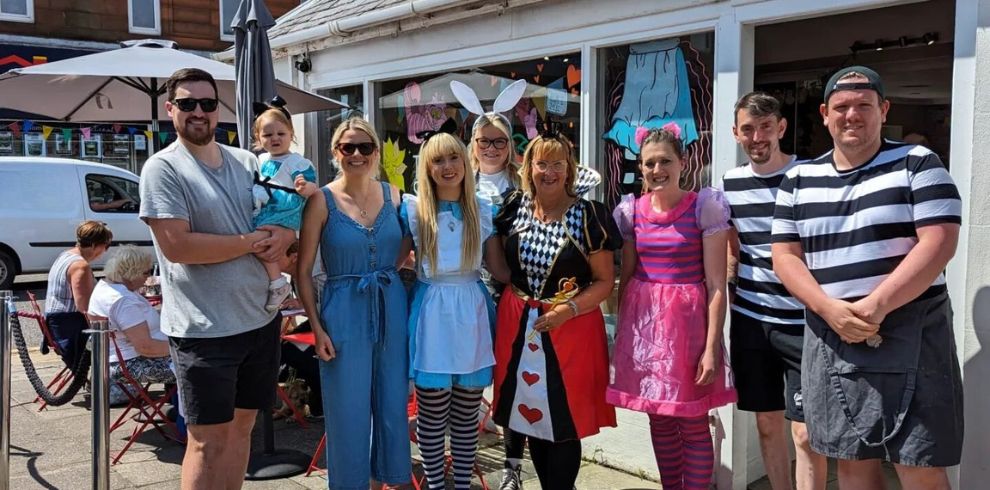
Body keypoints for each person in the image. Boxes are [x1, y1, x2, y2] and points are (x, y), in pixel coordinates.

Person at [771, 66, 963, 490]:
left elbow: (940, 241)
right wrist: (828, 309)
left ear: (883, 109)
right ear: (824, 113)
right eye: (841, 106)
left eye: (863, 105)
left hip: (911, 329)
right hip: (831, 332)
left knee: (921, 465)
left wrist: (874, 307)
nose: (852, 115)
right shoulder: (798, 179)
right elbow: (784, 256)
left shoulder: (918, 163)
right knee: (852, 464)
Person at [139, 68, 294, 490]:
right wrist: (250, 242)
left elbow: (281, 216)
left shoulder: (247, 161)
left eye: (207, 104)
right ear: (170, 109)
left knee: (241, 433)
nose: (199, 112)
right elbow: (179, 247)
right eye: (187, 103)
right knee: (207, 442)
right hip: (203, 331)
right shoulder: (162, 169)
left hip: (259, 323)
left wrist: (286, 233)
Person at [607, 124, 736, 490]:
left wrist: (711, 348)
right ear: (641, 166)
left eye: (665, 161)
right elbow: (628, 277)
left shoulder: (704, 208)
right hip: (645, 332)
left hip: (688, 330)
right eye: (649, 163)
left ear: (683, 162)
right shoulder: (631, 212)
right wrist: (623, 339)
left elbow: (715, 285)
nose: (656, 169)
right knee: (659, 419)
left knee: (694, 423)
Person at [491, 131, 620, 490]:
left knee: (564, 420)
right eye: (541, 163)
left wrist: (569, 309)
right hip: (518, 323)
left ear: (570, 169)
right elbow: (501, 266)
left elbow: (604, 281)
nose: (549, 172)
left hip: (571, 329)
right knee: (529, 416)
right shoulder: (514, 206)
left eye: (557, 164)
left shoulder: (588, 215)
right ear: (529, 167)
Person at [296, 117, 412, 489]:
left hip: (391, 303)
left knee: (393, 403)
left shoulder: (395, 195)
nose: (357, 154)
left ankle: (384, 482)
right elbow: (302, 272)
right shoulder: (320, 200)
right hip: (342, 309)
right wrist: (316, 327)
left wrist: (388, 271)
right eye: (348, 147)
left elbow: (408, 246)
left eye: (365, 147)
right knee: (348, 409)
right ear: (336, 153)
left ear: (376, 151)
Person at [722, 92, 827, 490]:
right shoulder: (730, 184)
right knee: (766, 426)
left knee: (805, 433)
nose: (757, 137)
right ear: (736, 134)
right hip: (752, 322)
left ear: (781, 128)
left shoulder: (811, 175)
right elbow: (733, 248)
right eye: (748, 129)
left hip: (805, 324)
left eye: (766, 127)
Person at [401, 132, 510, 490]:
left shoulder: (483, 209)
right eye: (438, 160)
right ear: (427, 168)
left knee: (466, 413)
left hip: (472, 312)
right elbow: (393, 262)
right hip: (432, 312)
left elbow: (499, 269)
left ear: (466, 162)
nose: (447, 167)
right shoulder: (415, 211)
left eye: (454, 158)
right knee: (432, 414)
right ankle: (435, 485)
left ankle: (461, 484)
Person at [251, 101, 319, 312]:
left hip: (286, 211)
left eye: (281, 133)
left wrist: (303, 187)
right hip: (266, 209)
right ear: (258, 139)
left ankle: (277, 282)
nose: (275, 139)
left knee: (262, 241)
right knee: (260, 243)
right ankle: (277, 281)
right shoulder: (259, 160)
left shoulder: (297, 162)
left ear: (291, 135)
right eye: (268, 135)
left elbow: (313, 185)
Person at [87, 245, 174, 406]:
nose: (148, 278)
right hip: (130, 364)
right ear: (131, 272)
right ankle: (190, 418)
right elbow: (146, 348)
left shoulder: (106, 286)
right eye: (146, 272)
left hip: (117, 359)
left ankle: (177, 408)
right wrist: (184, 349)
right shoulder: (123, 301)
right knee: (201, 365)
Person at [43, 220, 113, 369]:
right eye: (106, 246)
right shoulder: (80, 266)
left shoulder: (66, 255)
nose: (106, 251)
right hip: (69, 328)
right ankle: (114, 381)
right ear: (94, 245)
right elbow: (85, 307)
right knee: (126, 338)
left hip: (56, 323)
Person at [276, 241, 324, 418]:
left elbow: (333, 303)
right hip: (317, 320)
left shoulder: (315, 275)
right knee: (287, 348)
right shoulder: (295, 276)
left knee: (294, 352)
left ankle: (319, 402)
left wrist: (305, 305)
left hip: (330, 323)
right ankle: (308, 399)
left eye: (277, 254)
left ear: (293, 258)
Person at [470, 113, 520, 204]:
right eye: (484, 141)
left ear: (509, 145)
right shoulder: (462, 183)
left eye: (499, 141)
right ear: (473, 143)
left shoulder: (523, 181)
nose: (491, 148)